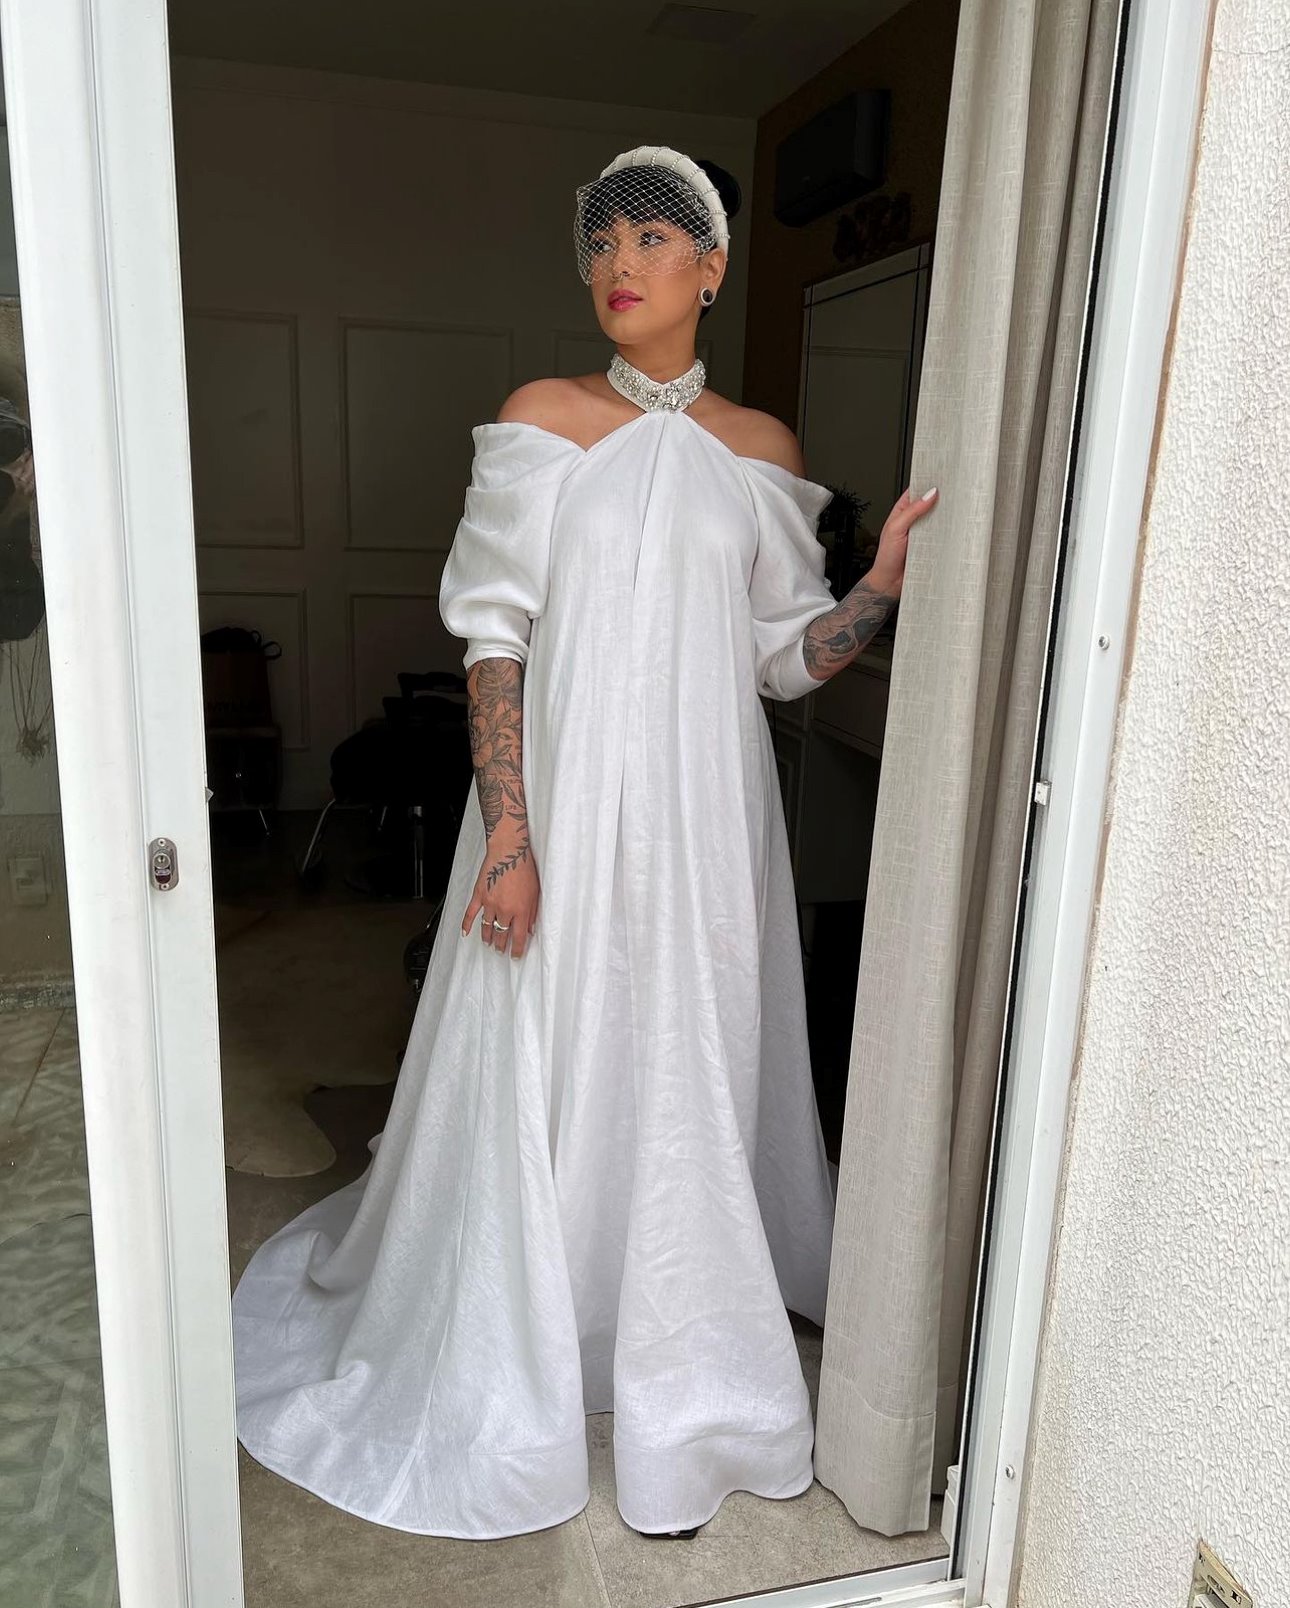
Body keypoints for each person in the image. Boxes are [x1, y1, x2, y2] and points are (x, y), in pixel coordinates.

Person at [231, 143, 937, 1543]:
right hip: (556, 799)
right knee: (552, 1039)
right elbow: (493, 636)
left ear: (711, 268)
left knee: (688, 1045)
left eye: (653, 239)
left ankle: (669, 1319)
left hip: (708, 816)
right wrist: (510, 831)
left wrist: (875, 588)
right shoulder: (541, 419)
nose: (619, 263)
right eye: (601, 242)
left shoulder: (762, 452)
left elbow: (783, 662)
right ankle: (539, 1313)